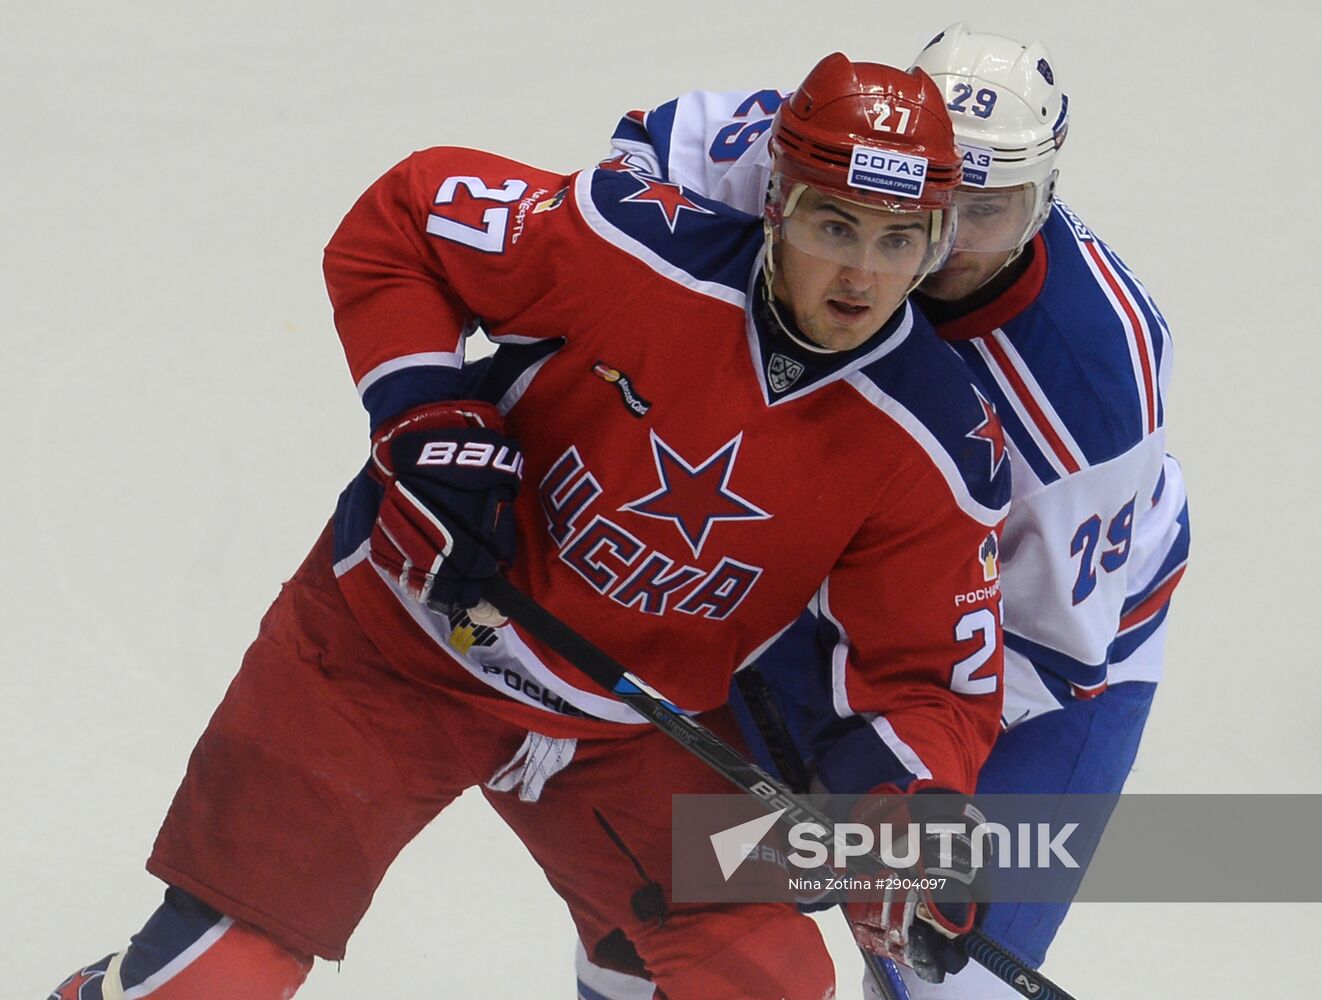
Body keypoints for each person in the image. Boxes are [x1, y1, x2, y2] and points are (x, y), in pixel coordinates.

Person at [47, 54, 1011, 1000]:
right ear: (775, 204)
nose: (861, 273)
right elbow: (408, 215)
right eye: (834, 224)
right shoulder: (631, 245)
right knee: (219, 979)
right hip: (396, 644)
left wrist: (910, 823)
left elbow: (932, 680)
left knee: (766, 979)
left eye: (897, 239)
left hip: (621, 733)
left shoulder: (939, 440)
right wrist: (425, 415)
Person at [574, 23, 1191, 1000]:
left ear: (1044, 200)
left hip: (1024, 672)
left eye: (990, 214)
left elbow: (1036, 653)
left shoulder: (1080, 396)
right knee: (650, 899)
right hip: (807, 573)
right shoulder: (832, 153)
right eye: (936, 200)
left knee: (941, 976)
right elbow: (638, 161)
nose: (941, 249)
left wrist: (876, 787)